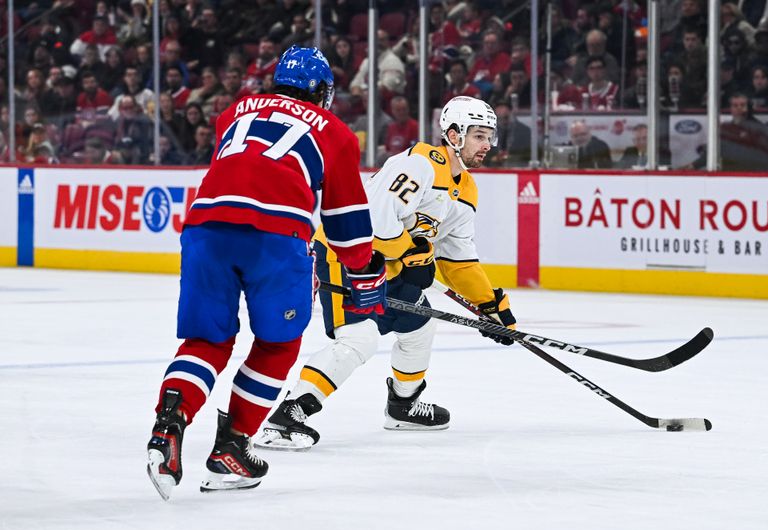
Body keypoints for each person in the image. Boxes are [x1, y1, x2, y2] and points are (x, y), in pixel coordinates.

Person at [145, 46, 386, 500]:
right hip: (274, 235)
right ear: (321, 92)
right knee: (277, 345)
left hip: (204, 227)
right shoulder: (335, 131)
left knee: (207, 341)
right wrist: (366, 271)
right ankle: (230, 450)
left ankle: (167, 428)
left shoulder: (234, 111)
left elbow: (241, 169)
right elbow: (347, 226)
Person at [258, 95, 517, 451]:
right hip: (348, 254)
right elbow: (375, 223)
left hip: (391, 265)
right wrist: (413, 252)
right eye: (478, 135)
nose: (487, 145)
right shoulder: (420, 165)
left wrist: (491, 306)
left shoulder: (467, 190)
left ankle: (403, 405)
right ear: (454, 135)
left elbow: (458, 259)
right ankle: (288, 415)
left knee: (420, 326)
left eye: (490, 136)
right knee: (360, 338)